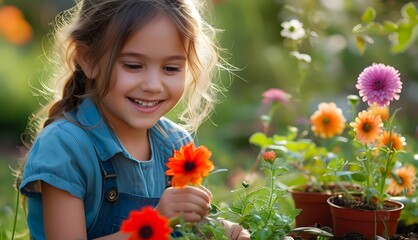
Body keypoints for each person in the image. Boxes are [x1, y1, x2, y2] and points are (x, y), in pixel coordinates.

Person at [18, 0, 250, 239]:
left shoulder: (175, 144)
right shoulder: (65, 147)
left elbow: (187, 227)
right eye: (133, 65)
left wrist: (222, 230)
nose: (152, 85)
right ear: (88, 59)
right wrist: (156, 221)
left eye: (171, 68)